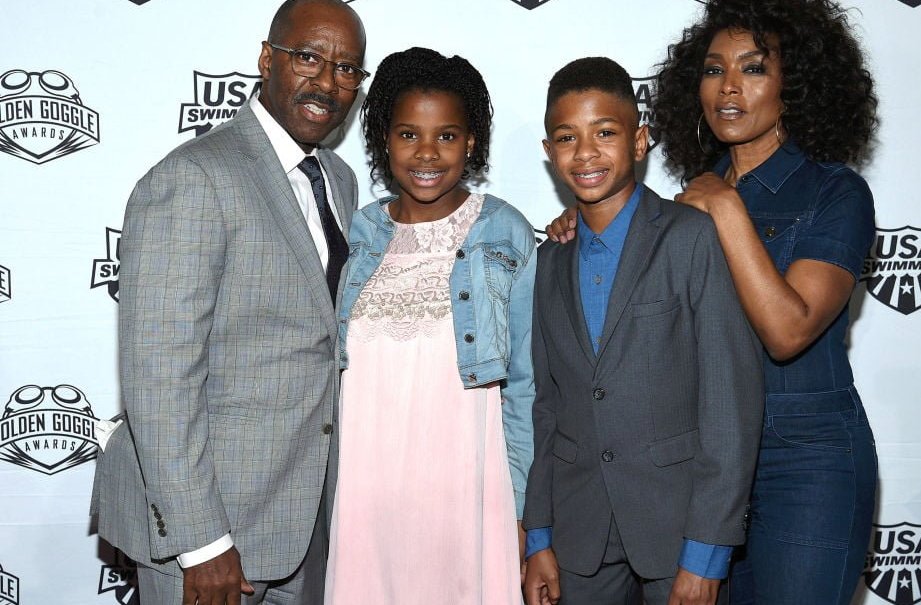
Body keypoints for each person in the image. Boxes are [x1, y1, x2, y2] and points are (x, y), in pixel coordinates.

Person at [547, 2, 879, 602]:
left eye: (753, 69)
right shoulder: (688, 201)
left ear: (795, 84)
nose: (728, 87)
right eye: (712, 70)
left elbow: (788, 330)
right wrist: (591, 225)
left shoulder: (835, 193)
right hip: (704, 474)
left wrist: (725, 207)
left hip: (802, 465)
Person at [90, 1, 366, 603]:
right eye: (309, 58)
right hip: (213, 534)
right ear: (267, 60)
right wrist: (202, 541)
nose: (328, 82)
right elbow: (159, 375)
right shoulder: (193, 178)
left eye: (347, 69)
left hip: (303, 519)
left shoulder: (338, 179)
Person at [523, 57, 764, 605]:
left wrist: (706, 552)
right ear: (549, 153)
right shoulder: (547, 264)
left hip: (677, 532)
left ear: (639, 141)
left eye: (605, 133)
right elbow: (545, 407)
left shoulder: (690, 238)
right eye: (567, 138)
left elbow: (730, 403)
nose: (585, 153)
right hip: (577, 537)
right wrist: (538, 534)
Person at [325, 47, 535, 604]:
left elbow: (524, 386)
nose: (427, 153)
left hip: (468, 493)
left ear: (470, 142)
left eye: (446, 135)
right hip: (369, 495)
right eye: (408, 134)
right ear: (384, 141)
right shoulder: (358, 232)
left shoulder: (505, 232)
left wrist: (524, 511)